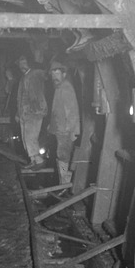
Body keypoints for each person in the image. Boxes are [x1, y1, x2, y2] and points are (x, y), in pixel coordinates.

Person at [48, 58, 80, 186]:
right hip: (60, 128)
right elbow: (56, 110)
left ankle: (65, 184)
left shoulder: (66, 88)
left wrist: (69, 130)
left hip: (65, 130)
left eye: (57, 73)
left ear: (64, 74)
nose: (54, 76)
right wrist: (52, 125)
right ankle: (64, 182)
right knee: (62, 155)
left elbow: (72, 111)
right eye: (52, 73)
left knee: (63, 156)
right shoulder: (59, 87)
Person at [15, 54, 47, 169]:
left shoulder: (34, 75)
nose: (21, 65)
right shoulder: (24, 77)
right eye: (20, 63)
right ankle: (33, 160)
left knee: (30, 137)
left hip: (33, 113)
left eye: (24, 62)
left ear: (29, 63)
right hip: (25, 113)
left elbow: (35, 96)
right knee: (25, 138)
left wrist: (33, 110)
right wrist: (18, 113)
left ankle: (38, 161)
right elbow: (21, 97)